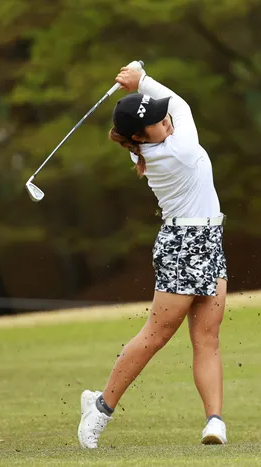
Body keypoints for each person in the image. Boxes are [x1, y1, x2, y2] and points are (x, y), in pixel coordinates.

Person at [77, 63, 229, 448]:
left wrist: (138, 89)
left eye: (163, 116)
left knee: (207, 337)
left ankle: (214, 422)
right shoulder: (179, 149)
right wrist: (140, 79)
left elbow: (171, 109)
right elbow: (182, 105)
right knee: (156, 335)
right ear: (140, 136)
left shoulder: (145, 149)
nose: (167, 120)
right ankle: (100, 409)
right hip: (184, 247)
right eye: (158, 121)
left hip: (209, 240)